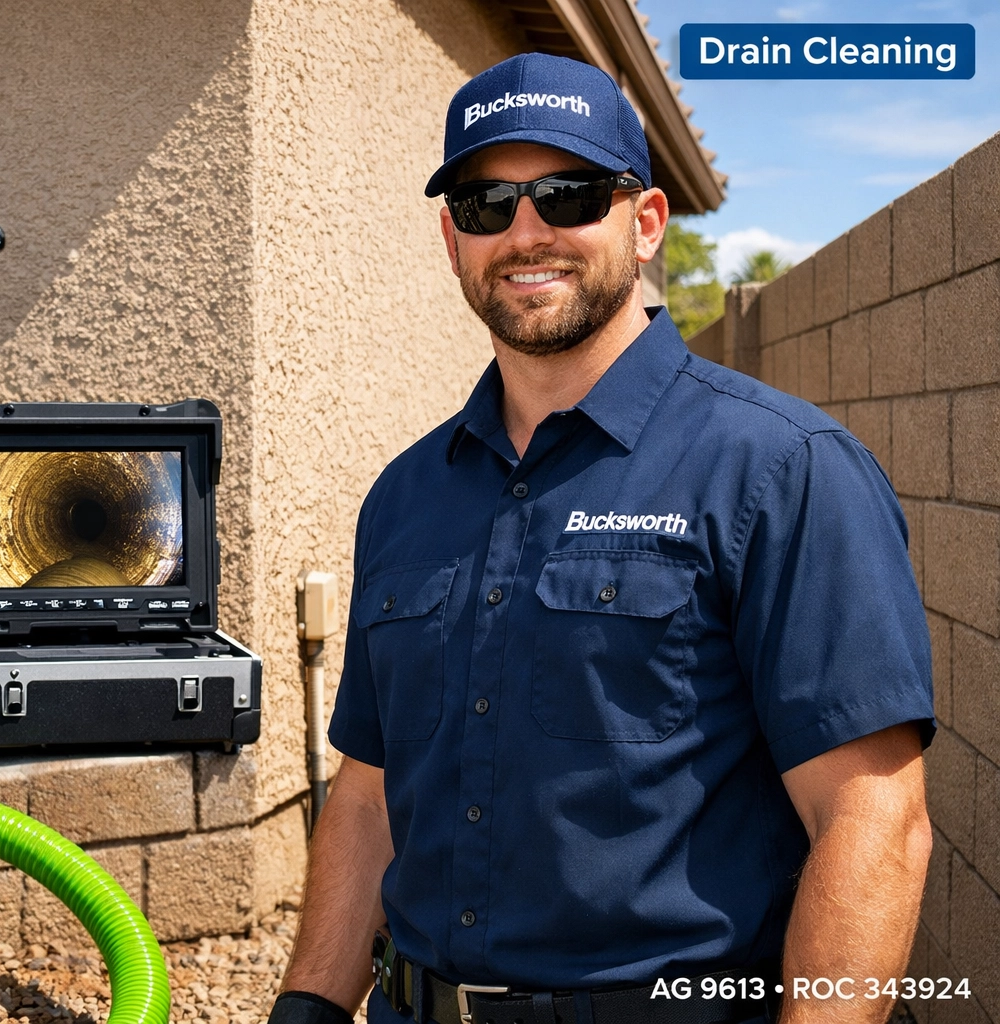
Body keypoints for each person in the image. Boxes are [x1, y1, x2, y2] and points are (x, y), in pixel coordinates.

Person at [266, 53, 934, 1024]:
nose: (526, 232)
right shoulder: (407, 496)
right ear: (453, 239)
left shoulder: (784, 468)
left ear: (646, 222)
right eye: (487, 206)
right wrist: (311, 1004)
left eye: (568, 194)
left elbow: (874, 820)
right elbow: (369, 792)